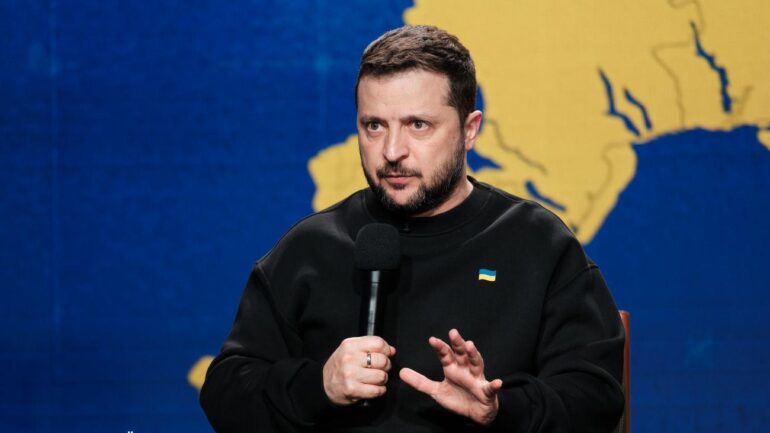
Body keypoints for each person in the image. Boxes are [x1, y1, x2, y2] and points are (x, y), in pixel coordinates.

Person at [200, 25, 625, 433]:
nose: (392, 151)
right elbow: (225, 393)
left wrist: (500, 411)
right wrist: (318, 387)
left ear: (470, 130)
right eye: (374, 126)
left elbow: (595, 398)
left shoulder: (537, 244)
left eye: (417, 125)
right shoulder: (311, 247)